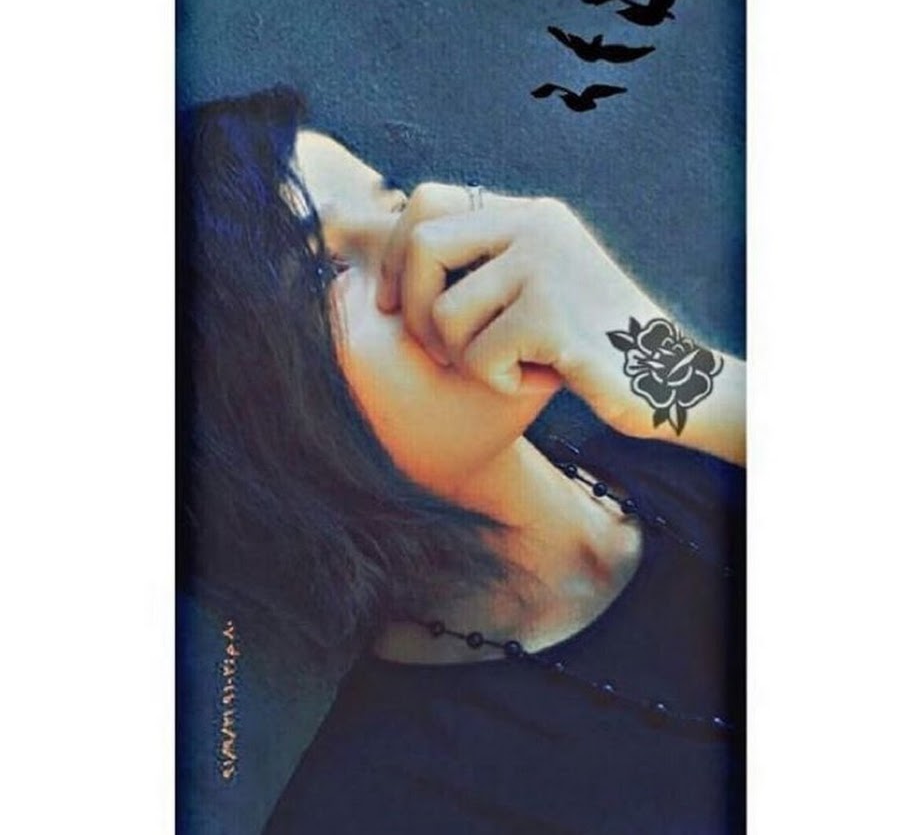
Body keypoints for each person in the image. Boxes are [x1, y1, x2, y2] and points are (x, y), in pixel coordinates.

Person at [178, 87, 746, 833]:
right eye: (323, 270)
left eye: (396, 202)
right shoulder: (378, 808)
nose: (428, 246)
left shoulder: (687, 445)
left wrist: (691, 382)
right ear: (247, 444)